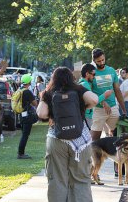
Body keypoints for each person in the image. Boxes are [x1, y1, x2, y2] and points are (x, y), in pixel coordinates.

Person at [36, 67, 111, 202]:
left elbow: (41, 113)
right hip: (80, 140)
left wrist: (52, 111)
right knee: (81, 179)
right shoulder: (78, 89)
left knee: (57, 179)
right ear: (71, 78)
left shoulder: (49, 92)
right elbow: (94, 100)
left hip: (56, 139)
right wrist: (82, 108)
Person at [90, 48, 127, 140]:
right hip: (98, 109)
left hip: (113, 108)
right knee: (95, 140)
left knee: (119, 138)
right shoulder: (91, 73)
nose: (102, 62)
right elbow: (89, 93)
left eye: (103, 60)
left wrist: (124, 109)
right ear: (94, 60)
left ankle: (115, 154)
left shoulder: (111, 71)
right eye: (99, 61)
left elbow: (117, 90)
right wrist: (102, 102)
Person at [17, 74, 38, 159]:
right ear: (29, 82)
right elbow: (35, 103)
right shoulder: (27, 91)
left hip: (21, 114)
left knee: (24, 134)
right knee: (25, 135)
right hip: (27, 115)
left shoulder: (19, 90)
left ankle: (21, 152)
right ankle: (21, 153)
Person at [79, 63, 97, 129]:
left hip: (85, 115)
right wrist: (105, 95)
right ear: (87, 74)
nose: (94, 77)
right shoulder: (85, 84)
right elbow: (94, 101)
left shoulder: (81, 83)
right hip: (87, 116)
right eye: (93, 74)